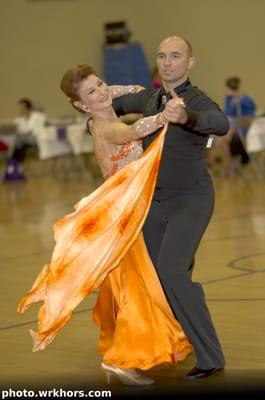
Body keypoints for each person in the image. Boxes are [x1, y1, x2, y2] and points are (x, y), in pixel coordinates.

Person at [17, 65, 192, 386]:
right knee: (136, 287)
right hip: (120, 216)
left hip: (128, 209)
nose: (100, 93)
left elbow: (121, 89)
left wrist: (131, 90)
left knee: (125, 285)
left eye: (100, 85)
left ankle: (131, 345)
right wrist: (164, 115)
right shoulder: (104, 127)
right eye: (91, 93)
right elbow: (133, 132)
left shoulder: (103, 102)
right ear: (82, 105)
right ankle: (120, 360)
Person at [112, 36, 229, 379]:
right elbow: (106, 106)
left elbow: (220, 123)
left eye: (176, 56)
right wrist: (96, 117)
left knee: (173, 271)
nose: (167, 62)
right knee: (153, 278)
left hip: (190, 199)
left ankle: (211, 357)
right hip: (155, 201)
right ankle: (173, 341)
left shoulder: (195, 99)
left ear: (190, 62)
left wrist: (186, 116)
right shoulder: (149, 98)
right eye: (162, 56)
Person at [3, 99, 46, 181]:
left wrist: (27, 134)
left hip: (36, 139)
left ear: (26, 107)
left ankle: (12, 163)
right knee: (19, 144)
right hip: (24, 142)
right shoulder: (19, 120)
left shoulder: (38, 116)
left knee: (17, 142)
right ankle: (16, 164)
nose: (19, 109)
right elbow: (19, 132)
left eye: (21, 106)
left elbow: (39, 129)